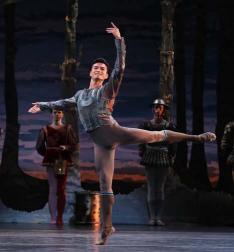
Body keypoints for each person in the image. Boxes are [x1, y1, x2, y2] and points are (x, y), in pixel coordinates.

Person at [28, 22, 216, 244]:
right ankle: (107, 228)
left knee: (157, 136)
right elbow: (62, 102)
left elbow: (120, 68)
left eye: (102, 69)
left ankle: (196, 137)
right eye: (95, 67)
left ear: (106, 76)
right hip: (101, 143)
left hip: (114, 131)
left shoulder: (107, 89)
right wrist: (41, 104)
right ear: (90, 71)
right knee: (104, 185)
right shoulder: (80, 95)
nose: (98, 69)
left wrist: (119, 41)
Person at [138, 98, 177, 226]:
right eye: (156, 107)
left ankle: (158, 217)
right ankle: (152, 217)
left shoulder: (169, 126)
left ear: (163, 110)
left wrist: (171, 156)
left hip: (163, 157)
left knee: (159, 188)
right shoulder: (146, 125)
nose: (157, 110)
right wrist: (142, 153)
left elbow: (172, 144)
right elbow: (141, 141)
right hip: (150, 156)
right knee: (151, 187)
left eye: (160, 107)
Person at [36, 107, 77, 225]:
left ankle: (59, 216)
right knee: (53, 188)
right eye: (55, 112)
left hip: (63, 160)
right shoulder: (45, 129)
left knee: (62, 188)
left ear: (62, 114)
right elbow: (39, 147)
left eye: (59, 112)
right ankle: (53, 217)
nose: (57, 114)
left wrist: (66, 148)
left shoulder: (68, 129)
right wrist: (49, 153)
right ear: (51, 114)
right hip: (51, 160)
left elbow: (74, 145)